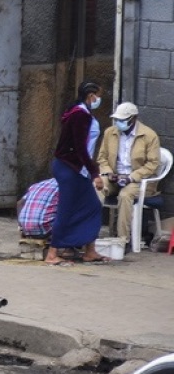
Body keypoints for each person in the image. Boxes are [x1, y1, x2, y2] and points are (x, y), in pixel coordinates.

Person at [47, 81, 113, 265]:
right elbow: (80, 148)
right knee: (66, 209)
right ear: (91, 95)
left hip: (75, 168)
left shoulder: (78, 112)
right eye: (98, 95)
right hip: (71, 168)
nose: (99, 99)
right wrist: (95, 173)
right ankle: (52, 253)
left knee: (91, 206)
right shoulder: (80, 116)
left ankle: (89, 250)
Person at [96, 101, 161, 243]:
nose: (119, 123)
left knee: (125, 195)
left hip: (137, 179)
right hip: (114, 176)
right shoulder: (110, 133)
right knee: (97, 187)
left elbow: (153, 164)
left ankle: (122, 239)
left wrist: (131, 177)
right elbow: (102, 158)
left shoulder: (149, 135)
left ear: (133, 118)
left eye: (122, 120)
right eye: (117, 120)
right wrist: (108, 173)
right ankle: (90, 236)